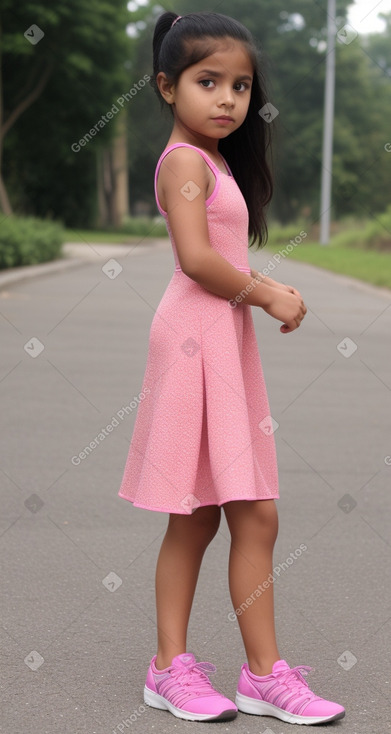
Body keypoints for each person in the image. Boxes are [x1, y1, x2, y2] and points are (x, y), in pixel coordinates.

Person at [118, 10, 345, 726]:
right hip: (193, 339)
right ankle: (170, 668)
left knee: (251, 514)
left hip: (222, 340)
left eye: (240, 86)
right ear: (165, 86)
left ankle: (260, 675)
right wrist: (269, 288)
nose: (226, 99)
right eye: (206, 81)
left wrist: (255, 293)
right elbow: (197, 259)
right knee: (197, 517)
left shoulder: (214, 162)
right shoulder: (183, 162)